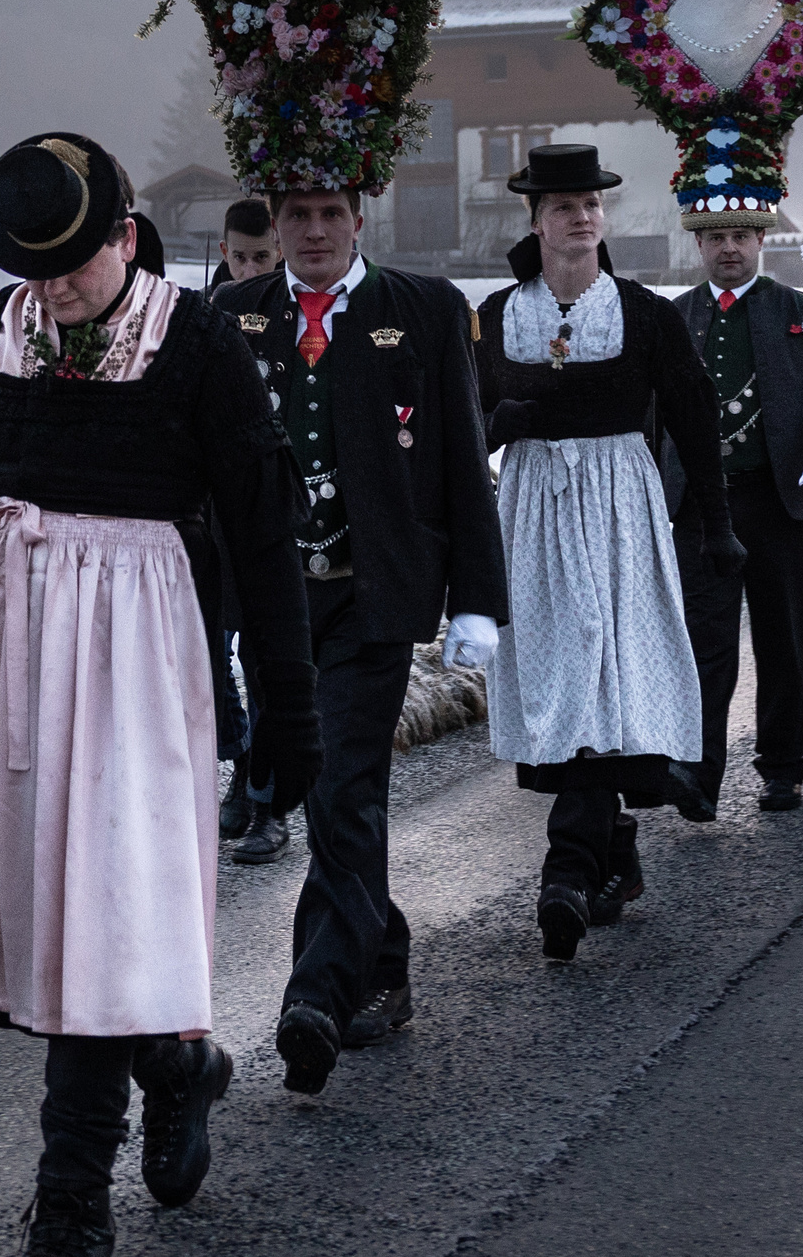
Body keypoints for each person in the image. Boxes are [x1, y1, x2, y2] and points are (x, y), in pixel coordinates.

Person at [0, 135, 322, 1257]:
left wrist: (289, 705)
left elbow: (261, 533)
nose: (57, 286)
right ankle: (175, 1062)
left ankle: (70, 1200)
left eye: (76, 261)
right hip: (13, 639)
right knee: (53, 916)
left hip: (137, 644)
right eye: (39, 268)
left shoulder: (196, 343)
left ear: (125, 236)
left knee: (103, 901)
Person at [223, 180, 506, 1094]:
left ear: (358, 219)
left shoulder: (423, 308)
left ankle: (315, 997)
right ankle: (383, 958)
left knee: (345, 783)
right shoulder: (233, 316)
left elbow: (461, 453)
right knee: (318, 788)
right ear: (276, 224)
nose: (312, 232)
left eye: (329, 215)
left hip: (375, 593)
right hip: (274, 601)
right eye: (295, 216)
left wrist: (477, 600)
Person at [474, 145, 735, 959]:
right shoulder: (496, 315)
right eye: (563, 206)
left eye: (590, 204)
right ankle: (612, 849)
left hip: (621, 505)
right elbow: (459, 418)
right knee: (567, 677)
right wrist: (497, 425)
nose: (581, 217)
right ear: (536, 220)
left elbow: (694, 414)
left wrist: (717, 523)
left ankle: (568, 869)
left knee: (603, 673)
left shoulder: (643, 313)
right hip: (535, 511)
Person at [665, 203, 803, 819]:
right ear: (699, 246)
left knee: (784, 642)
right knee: (704, 643)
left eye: (742, 236)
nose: (730, 247)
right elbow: (653, 411)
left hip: (778, 501)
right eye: (717, 237)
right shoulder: (676, 317)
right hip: (701, 507)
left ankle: (782, 768)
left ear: (760, 241)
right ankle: (699, 774)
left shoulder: (802, 311)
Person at [204, 192, 281, 849]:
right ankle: (240, 757)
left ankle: (266, 799)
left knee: (264, 661)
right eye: (242, 258)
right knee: (206, 654)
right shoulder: (201, 320)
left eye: (263, 258)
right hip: (209, 516)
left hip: (269, 512)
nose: (251, 270)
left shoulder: (293, 314)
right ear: (225, 252)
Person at [212, 195, 279, 290]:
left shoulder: (298, 298)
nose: (250, 275)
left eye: (261, 257)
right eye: (239, 257)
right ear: (225, 252)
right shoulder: (203, 299)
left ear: (280, 252)